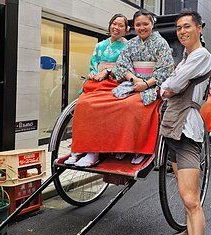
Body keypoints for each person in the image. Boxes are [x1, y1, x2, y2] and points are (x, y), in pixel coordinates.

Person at [67, 10, 174, 167]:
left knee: (131, 105)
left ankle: (137, 148)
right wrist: (134, 79)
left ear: (152, 24)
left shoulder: (160, 43)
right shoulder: (131, 44)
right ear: (134, 27)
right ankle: (104, 147)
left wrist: (146, 83)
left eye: (145, 24)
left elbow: (166, 68)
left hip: (152, 84)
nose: (142, 27)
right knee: (111, 104)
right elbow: (122, 65)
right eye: (138, 24)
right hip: (131, 82)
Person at [160, 9, 211, 235]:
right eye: (179, 28)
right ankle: (187, 231)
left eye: (187, 26)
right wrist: (168, 88)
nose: (182, 31)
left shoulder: (201, 55)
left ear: (199, 28)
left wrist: (168, 88)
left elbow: (173, 84)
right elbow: (169, 87)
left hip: (187, 130)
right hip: (173, 126)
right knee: (184, 194)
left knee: (192, 200)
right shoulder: (185, 57)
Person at [65, 14, 129, 166]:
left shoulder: (128, 47)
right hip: (98, 81)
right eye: (114, 24)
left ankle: (94, 151)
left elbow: (125, 69)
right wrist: (93, 73)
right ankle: (79, 147)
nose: (117, 28)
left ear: (126, 29)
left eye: (121, 25)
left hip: (115, 82)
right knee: (82, 104)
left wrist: (107, 72)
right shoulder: (100, 45)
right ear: (109, 25)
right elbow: (94, 63)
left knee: (98, 107)